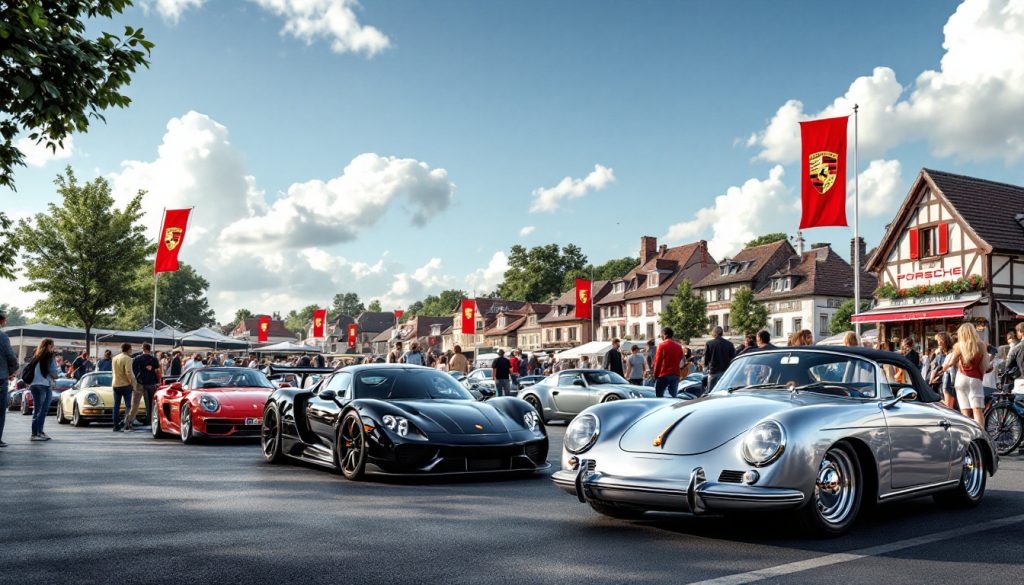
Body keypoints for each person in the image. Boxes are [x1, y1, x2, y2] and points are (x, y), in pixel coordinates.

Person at [936, 324, 989, 428]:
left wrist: (942, 370)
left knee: (965, 411)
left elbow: (950, 363)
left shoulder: (959, 346)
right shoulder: (981, 345)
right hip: (975, 380)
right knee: (977, 410)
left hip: (961, 380)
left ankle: (969, 437)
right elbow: (985, 365)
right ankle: (980, 436)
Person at [24, 338, 61, 441]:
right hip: (44, 385)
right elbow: (53, 371)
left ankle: (39, 432)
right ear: (49, 345)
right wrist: (56, 376)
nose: (53, 347)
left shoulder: (36, 356)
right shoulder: (50, 356)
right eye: (52, 345)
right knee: (41, 410)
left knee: (39, 410)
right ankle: (35, 434)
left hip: (35, 385)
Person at [127, 343, 161, 431]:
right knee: (150, 404)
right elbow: (157, 371)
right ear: (149, 349)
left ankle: (129, 421)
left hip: (140, 383)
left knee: (135, 404)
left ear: (142, 348)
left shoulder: (137, 359)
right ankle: (151, 422)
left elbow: (133, 370)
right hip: (151, 383)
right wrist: (159, 381)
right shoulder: (154, 359)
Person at [0, 312, 20, 447]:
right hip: (0, 378)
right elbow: (11, 357)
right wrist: (11, 372)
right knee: (0, 411)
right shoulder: (2, 337)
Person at [652, 327, 683, 398]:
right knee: (674, 396)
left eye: (661, 335)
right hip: (675, 374)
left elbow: (658, 362)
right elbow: (681, 358)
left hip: (663, 374)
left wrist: (655, 375)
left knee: (659, 396)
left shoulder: (661, 345)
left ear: (664, 334)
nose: (660, 336)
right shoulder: (678, 346)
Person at [111, 343, 135, 432]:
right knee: (128, 406)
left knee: (116, 405)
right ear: (128, 349)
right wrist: (132, 383)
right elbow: (128, 372)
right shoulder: (128, 359)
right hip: (125, 385)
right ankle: (125, 423)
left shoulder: (114, 358)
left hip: (115, 384)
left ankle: (115, 425)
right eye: (131, 349)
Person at [704, 325, 736, 392]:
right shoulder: (729, 344)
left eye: (712, 331)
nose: (711, 333)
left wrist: (706, 367)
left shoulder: (709, 343)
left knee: (711, 391)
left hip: (713, 371)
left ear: (715, 333)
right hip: (726, 371)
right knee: (724, 391)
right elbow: (733, 358)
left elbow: (706, 358)